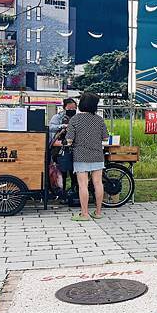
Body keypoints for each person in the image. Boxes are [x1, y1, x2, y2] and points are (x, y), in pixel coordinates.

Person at [65, 92, 108, 221]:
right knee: (98, 183)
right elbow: (105, 138)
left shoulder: (75, 119)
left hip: (81, 155)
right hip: (97, 155)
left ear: (82, 104)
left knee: (83, 185)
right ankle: (98, 212)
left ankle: (84, 214)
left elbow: (69, 140)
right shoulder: (99, 119)